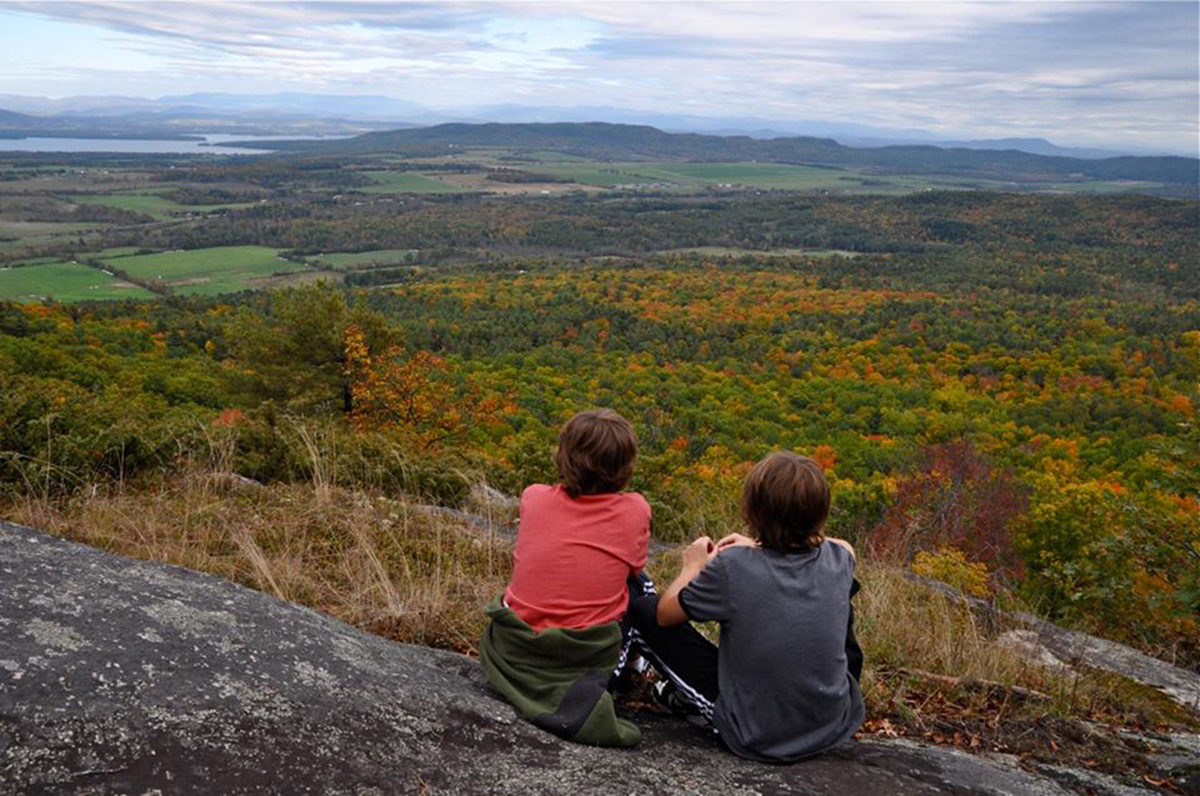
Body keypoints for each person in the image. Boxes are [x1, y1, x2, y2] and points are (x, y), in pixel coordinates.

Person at [627, 450, 864, 763]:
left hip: (755, 733)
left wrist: (693, 566)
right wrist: (763, 543)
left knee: (643, 611)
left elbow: (665, 614)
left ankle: (670, 693)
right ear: (821, 512)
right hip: (833, 722)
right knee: (840, 599)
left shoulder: (733, 567)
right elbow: (818, 543)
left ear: (752, 512)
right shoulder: (841, 557)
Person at [479, 408, 651, 747]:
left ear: (563, 456)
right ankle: (631, 671)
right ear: (625, 467)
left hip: (514, 646)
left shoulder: (533, 497)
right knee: (641, 586)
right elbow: (634, 566)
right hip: (583, 655)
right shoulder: (635, 510)